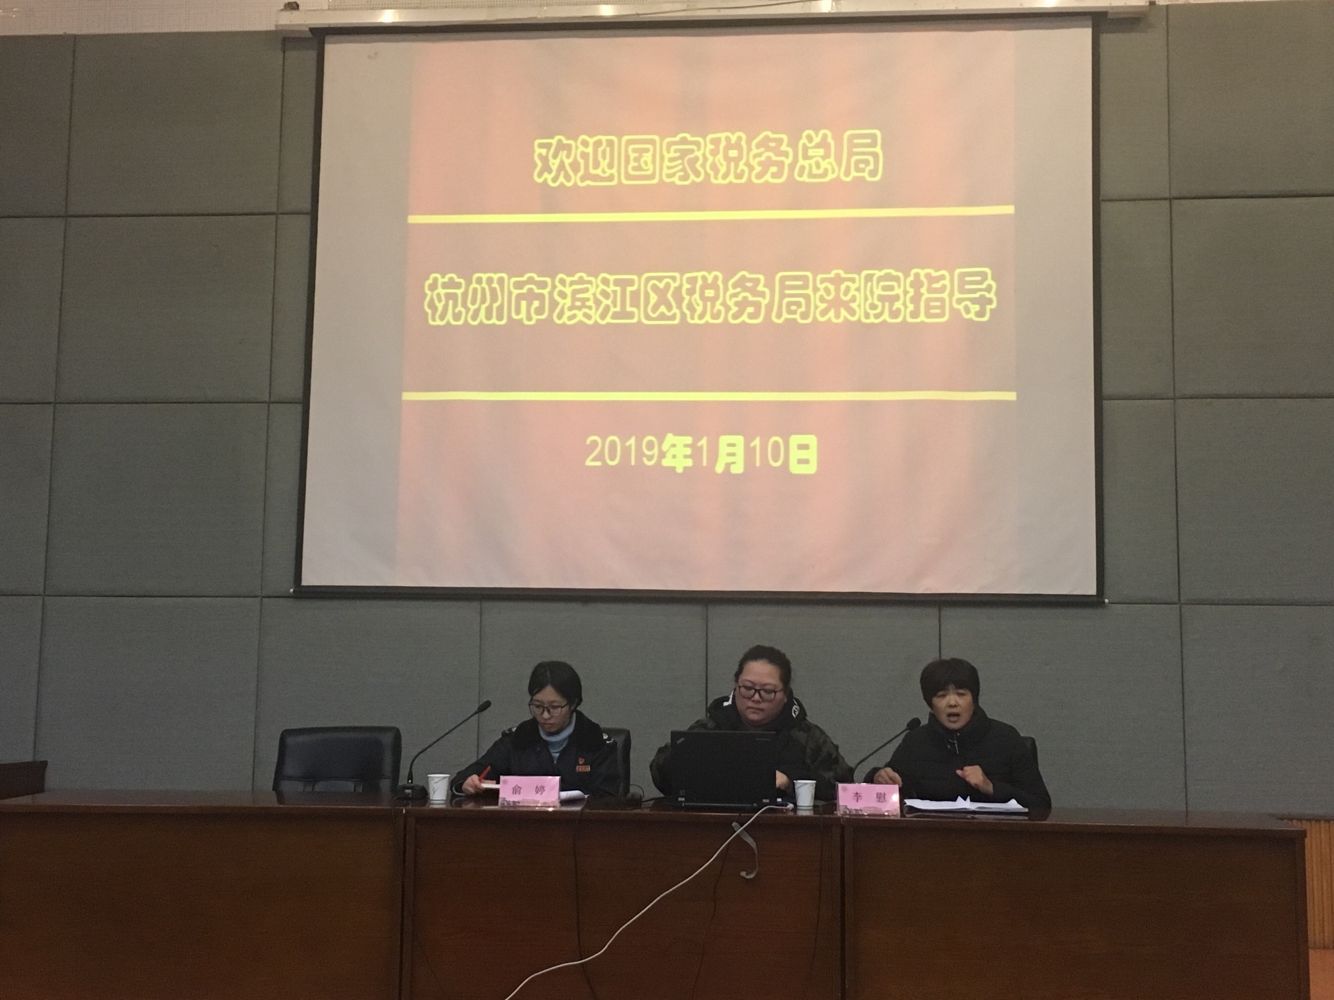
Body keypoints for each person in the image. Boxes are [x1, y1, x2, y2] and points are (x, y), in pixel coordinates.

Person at [650, 644, 852, 801]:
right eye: (747, 688)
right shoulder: (713, 727)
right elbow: (661, 774)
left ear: (785, 694)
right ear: (735, 686)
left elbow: (844, 787)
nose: (755, 698)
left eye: (767, 691)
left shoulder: (806, 737)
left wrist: (790, 782)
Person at [865, 657, 1050, 810]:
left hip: (994, 839)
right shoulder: (916, 741)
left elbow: (1041, 805)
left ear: (974, 699)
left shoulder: (1005, 738)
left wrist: (991, 787)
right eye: (941, 696)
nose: (952, 703)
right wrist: (877, 778)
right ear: (930, 703)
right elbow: (885, 793)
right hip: (929, 839)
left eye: (961, 694)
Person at [453, 661, 621, 797]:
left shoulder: (596, 743)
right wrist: (467, 783)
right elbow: (465, 777)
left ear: (573, 704)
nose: (545, 715)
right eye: (538, 706)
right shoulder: (518, 740)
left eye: (554, 707)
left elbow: (609, 801)